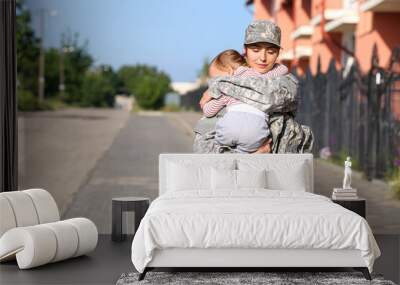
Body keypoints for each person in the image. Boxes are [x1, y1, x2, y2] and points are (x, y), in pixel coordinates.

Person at [199, 48, 288, 153]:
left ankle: (239, 156)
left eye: (216, 79)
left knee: (219, 147)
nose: (214, 84)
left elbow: (209, 112)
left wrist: (204, 103)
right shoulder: (261, 77)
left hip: (230, 127)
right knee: (247, 148)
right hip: (257, 130)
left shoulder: (227, 87)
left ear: (229, 72)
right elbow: (283, 69)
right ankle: (252, 153)